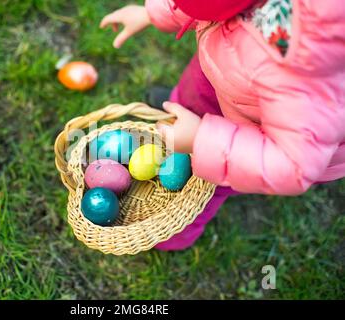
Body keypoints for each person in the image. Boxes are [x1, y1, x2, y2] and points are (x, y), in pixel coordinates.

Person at [100, 0, 345, 250]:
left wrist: (203, 141)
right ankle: (182, 115)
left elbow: (293, 166)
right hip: (229, 66)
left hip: (258, 134)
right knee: (189, 101)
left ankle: (173, 234)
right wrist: (153, 13)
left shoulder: (305, 68)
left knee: (209, 179)